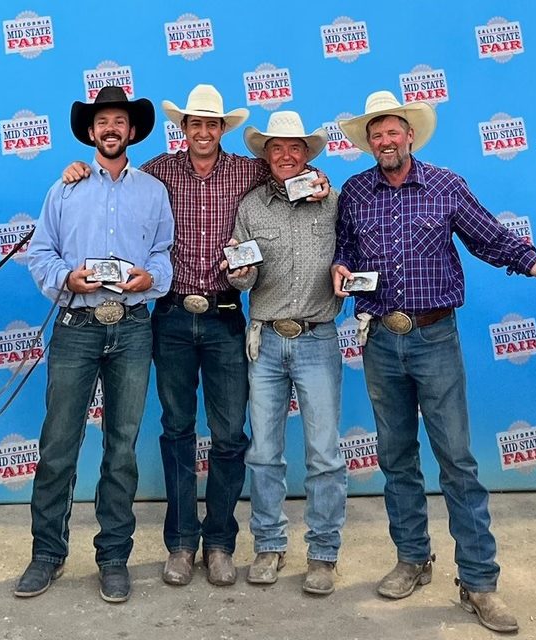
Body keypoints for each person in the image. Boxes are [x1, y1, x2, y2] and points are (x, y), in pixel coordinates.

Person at [332, 91, 536, 632]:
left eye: (392, 131)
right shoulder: (355, 192)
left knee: (456, 461)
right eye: (375, 134)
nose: (384, 141)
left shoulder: (446, 185)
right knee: (396, 459)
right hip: (380, 339)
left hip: (434, 339)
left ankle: (478, 582)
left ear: (410, 135)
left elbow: (497, 242)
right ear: (369, 142)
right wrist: (339, 267)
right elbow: (343, 250)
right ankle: (412, 559)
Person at [62, 84, 328, 587]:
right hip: (172, 317)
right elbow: (107, 181)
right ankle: (182, 543)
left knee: (230, 436)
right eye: (195, 124)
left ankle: (221, 542)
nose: (203, 132)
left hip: (227, 317)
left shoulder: (249, 170)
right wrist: (75, 169)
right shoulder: (157, 172)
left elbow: (292, 172)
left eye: (212, 124)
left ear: (223, 130)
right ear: (181, 129)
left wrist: (319, 179)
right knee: (178, 431)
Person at [14, 86, 174, 604]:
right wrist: (68, 278)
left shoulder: (153, 191)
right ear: (90, 132)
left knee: (121, 448)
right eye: (102, 121)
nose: (111, 129)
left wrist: (151, 277)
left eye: (119, 122)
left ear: (132, 132)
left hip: (131, 326)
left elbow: (164, 254)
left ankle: (113, 558)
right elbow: (40, 253)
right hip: (76, 327)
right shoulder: (63, 190)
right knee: (58, 444)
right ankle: (47, 554)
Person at [225, 111, 346, 595]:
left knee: (324, 454)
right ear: (266, 155)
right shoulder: (251, 207)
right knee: (265, 453)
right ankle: (269, 546)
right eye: (277, 149)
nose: (287, 156)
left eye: (296, 149)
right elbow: (247, 275)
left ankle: (322, 555)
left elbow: (353, 252)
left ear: (308, 155)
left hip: (318, 337)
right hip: (267, 340)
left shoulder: (332, 200)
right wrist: (238, 274)